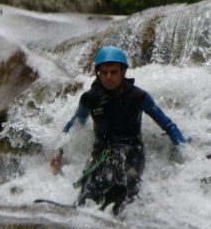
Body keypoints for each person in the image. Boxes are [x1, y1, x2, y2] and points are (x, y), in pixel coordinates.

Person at [50, 46, 186, 214]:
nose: (109, 77)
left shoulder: (139, 96)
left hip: (132, 151)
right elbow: (74, 124)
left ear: (123, 72)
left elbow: (168, 125)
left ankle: (120, 213)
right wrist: (58, 153)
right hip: (101, 152)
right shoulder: (90, 98)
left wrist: (187, 153)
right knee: (89, 189)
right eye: (104, 72)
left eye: (114, 72)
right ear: (98, 72)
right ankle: (83, 206)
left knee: (126, 183)